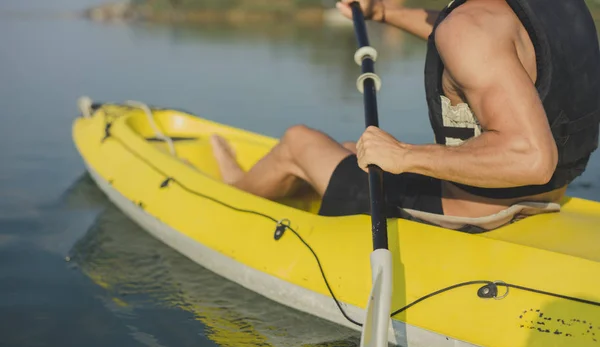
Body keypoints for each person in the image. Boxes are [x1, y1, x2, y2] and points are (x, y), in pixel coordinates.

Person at [210, 0, 600, 226]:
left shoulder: (471, 28)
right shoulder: (556, 7)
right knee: (351, 147)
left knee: (298, 141)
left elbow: (532, 158)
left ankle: (230, 201)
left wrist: (405, 156)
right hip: (548, 197)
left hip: (473, 216)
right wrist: (384, 11)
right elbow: (481, 39)